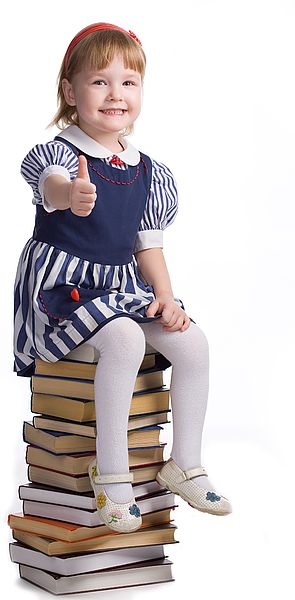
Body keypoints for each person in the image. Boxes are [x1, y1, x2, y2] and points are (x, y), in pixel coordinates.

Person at [13, 22, 232, 533]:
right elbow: (49, 185)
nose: (116, 94)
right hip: (60, 290)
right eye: (99, 82)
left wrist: (166, 297)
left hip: (118, 288)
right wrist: (70, 196)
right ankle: (111, 475)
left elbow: (147, 244)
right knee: (124, 338)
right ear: (70, 90)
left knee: (191, 341)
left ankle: (185, 462)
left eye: (128, 82)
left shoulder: (147, 171)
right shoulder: (62, 153)